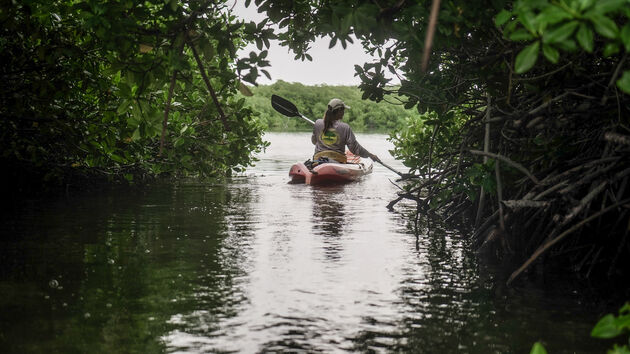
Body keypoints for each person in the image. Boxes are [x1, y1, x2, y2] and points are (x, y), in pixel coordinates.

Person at [311, 98, 380, 163]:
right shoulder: (345, 127)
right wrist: (370, 155)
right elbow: (354, 148)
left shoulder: (318, 123)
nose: (344, 112)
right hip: (338, 160)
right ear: (339, 110)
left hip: (318, 160)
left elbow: (314, 141)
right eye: (343, 110)